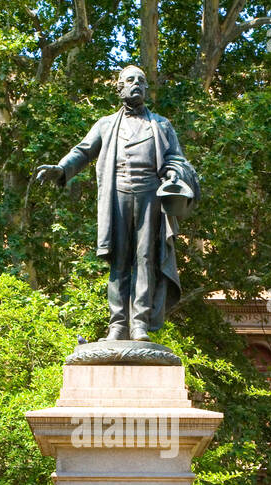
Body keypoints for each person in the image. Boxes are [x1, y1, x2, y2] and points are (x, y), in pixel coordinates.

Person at [35, 65, 199, 342]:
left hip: (151, 196)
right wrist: (62, 169)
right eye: (130, 80)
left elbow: (176, 158)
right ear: (119, 87)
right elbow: (83, 151)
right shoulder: (106, 124)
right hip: (118, 195)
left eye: (142, 81)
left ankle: (140, 325)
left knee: (146, 259)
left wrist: (173, 173)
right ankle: (117, 325)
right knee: (119, 260)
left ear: (147, 89)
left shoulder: (161, 125)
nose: (137, 84)